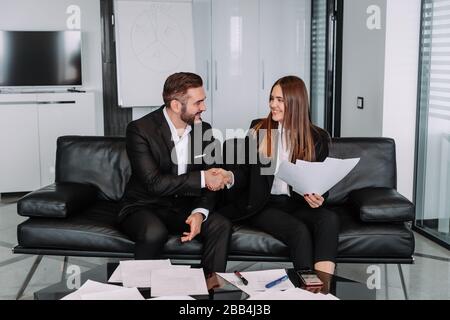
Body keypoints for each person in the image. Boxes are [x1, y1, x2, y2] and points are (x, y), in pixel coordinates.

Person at [215, 76, 339, 274]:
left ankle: (322, 288)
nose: (273, 104)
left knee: (329, 219)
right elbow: (244, 172)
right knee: (299, 231)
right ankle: (306, 289)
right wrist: (229, 176)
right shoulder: (259, 128)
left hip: (297, 203)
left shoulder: (317, 137)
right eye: (272, 98)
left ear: (296, 102)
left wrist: (319, 196)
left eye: (280, 100)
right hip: (264, 204)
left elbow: (320, 179)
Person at [118, 72, 232, 274]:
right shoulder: (139, 130)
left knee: (220, 225)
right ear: (176, 106)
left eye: (203, 101)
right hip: (144, 206)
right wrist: (203, 178)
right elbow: (154, 183)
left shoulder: (203, 129)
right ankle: (141, 292)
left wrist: (199, 212)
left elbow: (212, 181)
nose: (204, 108)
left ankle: (210, 292)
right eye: (198, 103)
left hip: (182, 207)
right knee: (154, 232)